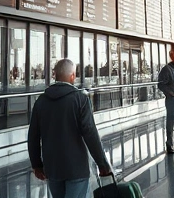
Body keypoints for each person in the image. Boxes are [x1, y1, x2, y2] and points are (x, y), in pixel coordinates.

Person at [28, 59, 112, 198]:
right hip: (76, 168)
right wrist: (102, 164)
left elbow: (33, 136)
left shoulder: (41, 101)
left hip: (52, 168)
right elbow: (90, 133)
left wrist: (36, 164)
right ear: (72, 75)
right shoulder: (80, 100)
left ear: (55, 75)